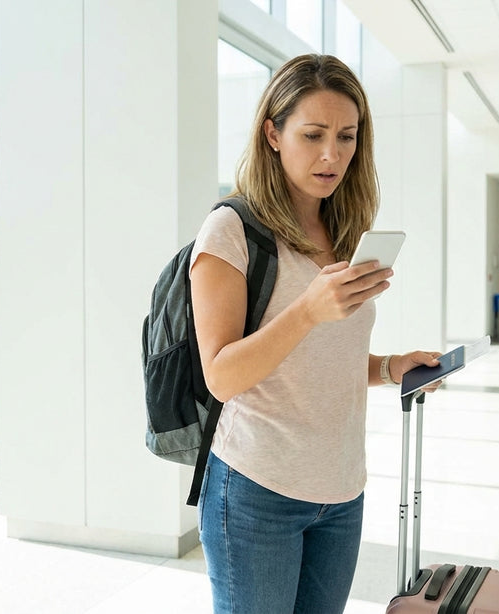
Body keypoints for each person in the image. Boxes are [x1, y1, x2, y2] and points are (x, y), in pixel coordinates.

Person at [189, 53, 443, 613]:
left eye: (348, 137)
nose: (333, 155)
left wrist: (390, 367)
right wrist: (306, 310)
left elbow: (320, 360)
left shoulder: (341, 228)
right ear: (272, 134)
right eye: (313, 134)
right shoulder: (231, 230)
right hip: (256, 489)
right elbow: (222, 375)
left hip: (341, 490)